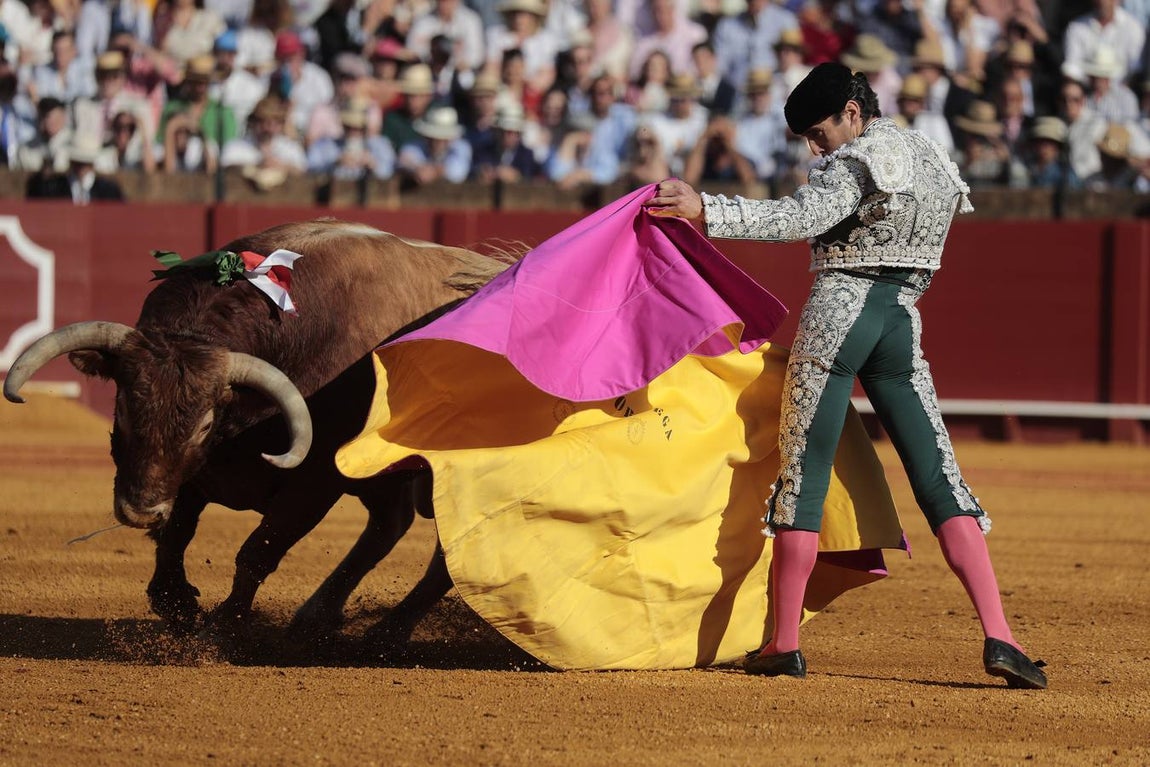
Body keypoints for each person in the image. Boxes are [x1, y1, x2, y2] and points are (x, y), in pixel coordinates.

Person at [643, 62, 1047, 689]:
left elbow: (798, 220)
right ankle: (1002, 635)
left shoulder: (854, 161)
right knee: (939, 476)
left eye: (819, 132)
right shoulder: (928, 156)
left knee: (803, 474)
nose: (815, 148)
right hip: (900, 322)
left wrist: (706, 209)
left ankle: (783, 642)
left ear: (852, 113)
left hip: (838, 318)